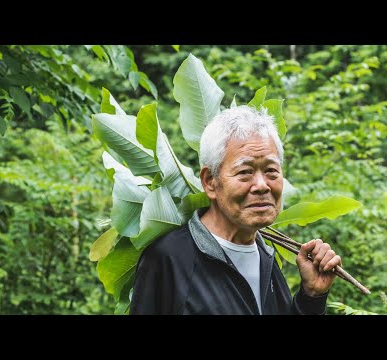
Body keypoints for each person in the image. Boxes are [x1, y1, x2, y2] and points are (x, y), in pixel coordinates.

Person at [129, 105, 342, 315]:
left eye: (271, 171)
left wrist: (311, 297)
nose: (262, 185)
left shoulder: (265, 255)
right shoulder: (169, 260)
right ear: (210, 181)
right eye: (245, 172)